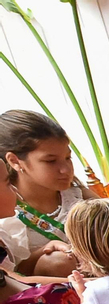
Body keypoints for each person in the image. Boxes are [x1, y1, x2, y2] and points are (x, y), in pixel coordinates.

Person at [0, 110, 83, 278]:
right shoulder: (6, 208)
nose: (65, 169)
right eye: (50, 161)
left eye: (68, 158)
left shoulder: (78, 196)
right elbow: (11, 276)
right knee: (58, 261)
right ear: (15, 161)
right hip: (41, 297)